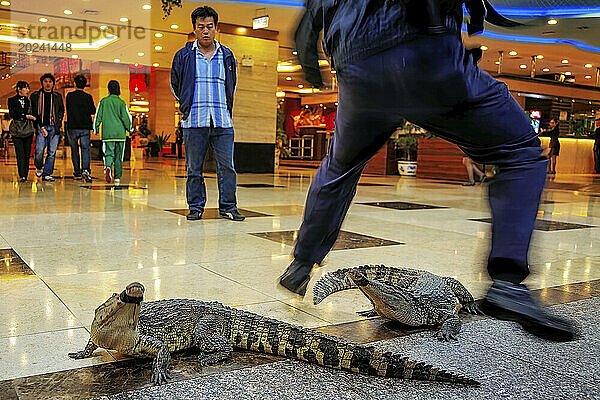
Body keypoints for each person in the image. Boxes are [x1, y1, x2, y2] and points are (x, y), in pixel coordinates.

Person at [279, 0, 575, 340]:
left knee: (340, 165)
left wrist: (314, 68)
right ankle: (507, 283)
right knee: (520, 150)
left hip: (358, 71)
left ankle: (302, 261)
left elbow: (307, 26)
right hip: (424, 53)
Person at [170, 6, 245, 222]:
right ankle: (195, 207)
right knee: (194, 168)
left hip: (222, 120)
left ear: (216, 29)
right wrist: (185, 104)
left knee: (227, 167)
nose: (205, 31)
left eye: (209, 27)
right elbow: (175, 83)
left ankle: (229, 207)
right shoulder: (184, 55)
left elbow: (232, 84)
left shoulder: (227, 55)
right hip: (194, 120)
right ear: (194, 29)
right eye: (200, 27)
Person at [94, 80, 132, 186]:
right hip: (120, 134)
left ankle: (108, 167)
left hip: (108, 133)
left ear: (109, 89)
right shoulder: (121, 102)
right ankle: (117, 178)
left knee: (108, 153)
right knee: (119, 156)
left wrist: (96, 129)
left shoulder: (103, 101)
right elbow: (126, 118)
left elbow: (98, 116)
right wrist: (130, 129)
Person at [30, 73, 64, 182]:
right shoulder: (35, 96)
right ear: (42, 83)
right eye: (45, 81)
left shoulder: (57, 96)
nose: (48, 84)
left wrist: (58, 122)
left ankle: (47, 173)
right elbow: (34, 112)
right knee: (39, 151)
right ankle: (39, 166)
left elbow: (61, 111)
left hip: (54, 127)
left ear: (53, 83)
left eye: (50, 81)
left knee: (51, 152)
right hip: (41, 126)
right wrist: (38, 125)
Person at [66, 74, 96, 182]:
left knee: (74, 150)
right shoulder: (88, 97)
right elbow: (93, 111)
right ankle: (86, 170)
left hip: (72, 126)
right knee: (85, 149)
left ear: (74, 84)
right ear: (85, 85)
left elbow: (68, 108)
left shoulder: (69, 96)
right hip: (85, 127)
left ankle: (77, 172)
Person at [7, 81, 37, 181]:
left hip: (28, 130)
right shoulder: (11, 100)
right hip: (17, 130)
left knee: (27, 154)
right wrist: (25, 116)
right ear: (19, 89)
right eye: (25, 88)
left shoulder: (29, 101)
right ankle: (22, 175)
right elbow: (13, 113)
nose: (27, 90)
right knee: (20, 153)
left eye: (28, 88)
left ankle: (25, 174)